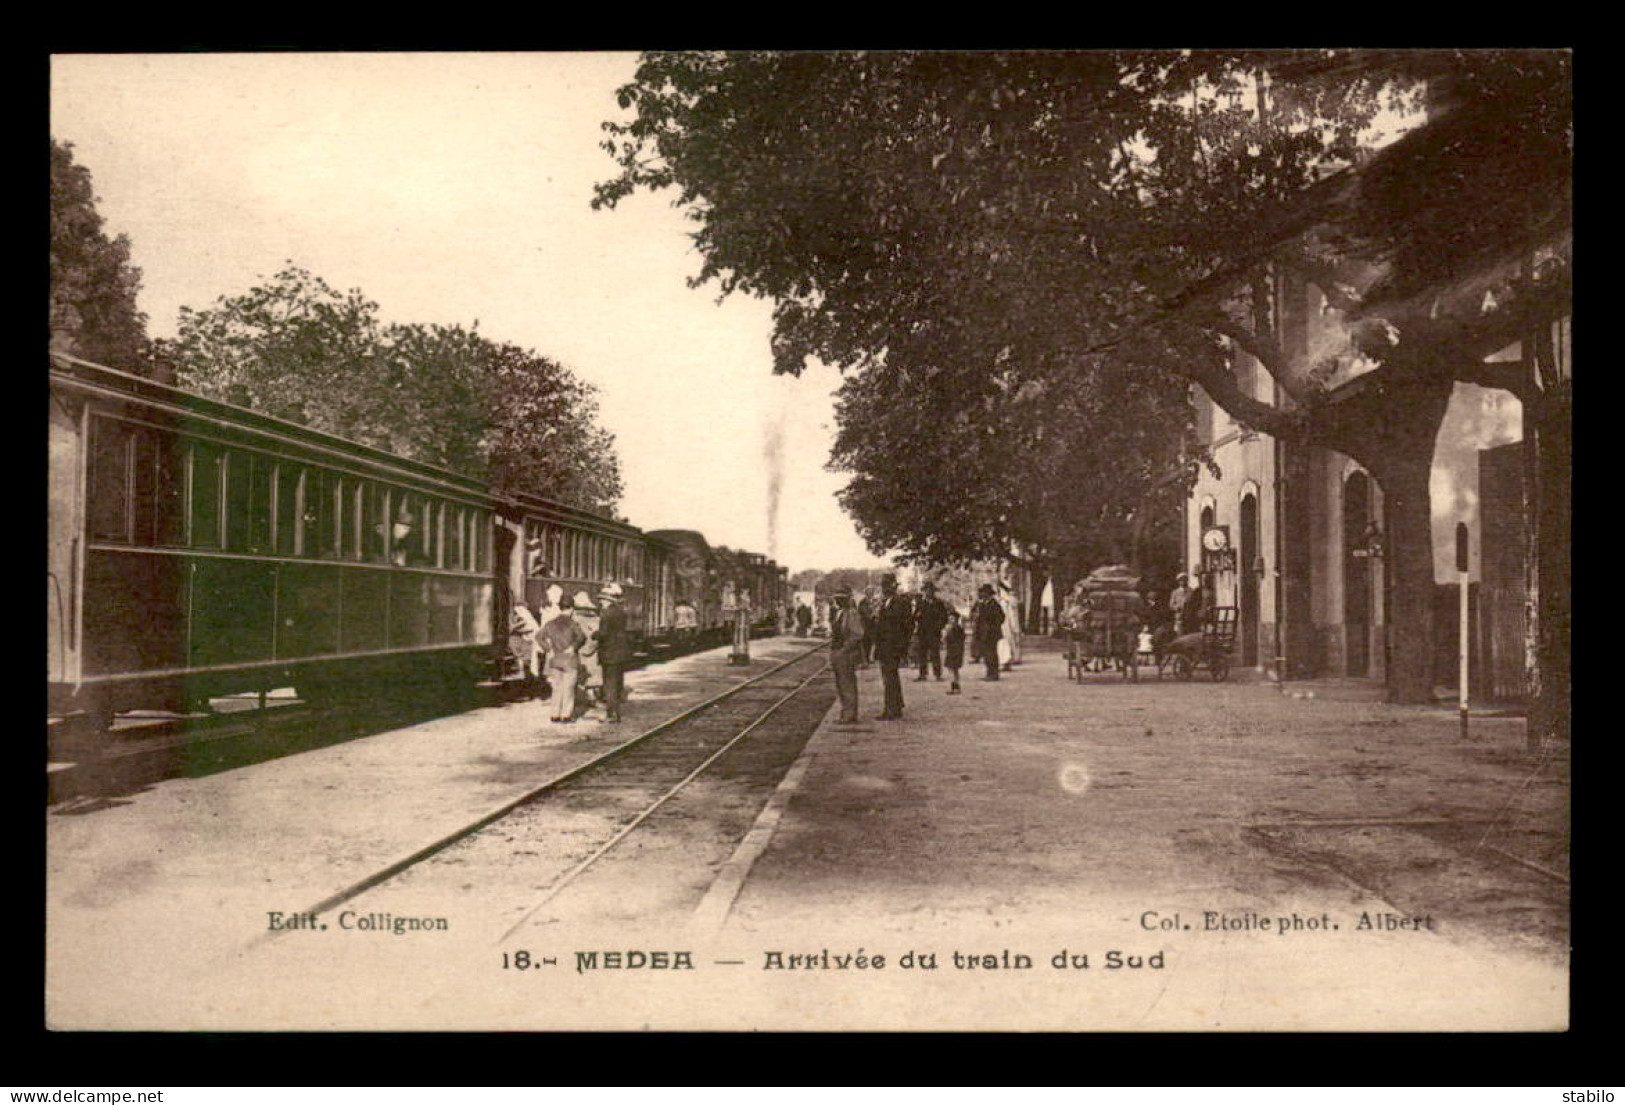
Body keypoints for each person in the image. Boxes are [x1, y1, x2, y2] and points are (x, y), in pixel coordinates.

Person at [539, 595, 588, 724]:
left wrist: (548, 648)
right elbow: (582, 637)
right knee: (569, 688)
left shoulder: (550, 623)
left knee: (557, 688)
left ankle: (555, 714)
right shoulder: (572, 623)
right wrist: (573, 647)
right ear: (571, 608)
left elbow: (538, 636)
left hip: (555, 659)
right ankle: (566, 715)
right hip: (570, 660)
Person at [872, 573, 914, 720]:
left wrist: (903, 647)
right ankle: (894, 707)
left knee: (890, 677)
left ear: (893, 586)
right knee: (888, 677)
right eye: (883, 585)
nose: (884, 588)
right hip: (884, 646)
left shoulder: (900, 602)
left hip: (894, 646)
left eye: (887, 585)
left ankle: (891, 709)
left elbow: (907, 626)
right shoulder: (885, 603)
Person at [828, 585, 866, 725]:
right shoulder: (839, 613)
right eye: (837, 598)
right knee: (840, 684)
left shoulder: (852, 613)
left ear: (847, 599)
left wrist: (845, 649)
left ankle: (850, 714)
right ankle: (845, 711)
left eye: (841, 598)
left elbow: (857, 634)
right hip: (837, 652)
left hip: (846, 654)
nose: (838, 601)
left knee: (847, 684)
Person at [595, 582, 632, 723]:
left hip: (609, 654)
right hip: (621, 653)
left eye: (601, 600)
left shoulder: (606, 614)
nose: (600, 602)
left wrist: (595, 635)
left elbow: (604, 634)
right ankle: (616, 712)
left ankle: (611, 714)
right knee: (617, 684)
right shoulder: (621, 612)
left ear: (606, 600)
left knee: (609, 685)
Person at [913, 581, 950, 682]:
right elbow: (915, 616)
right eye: (926, 590)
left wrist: (938, 626)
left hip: (934, 632)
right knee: (922, 654)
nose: (928, 592)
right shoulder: (920, 603)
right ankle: (922, 674)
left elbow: (944, 617)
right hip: (922, 632)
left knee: (935, 653)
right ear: (924, 591)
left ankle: (937, 674)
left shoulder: (938, 603)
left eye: (931, 590)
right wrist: (917, 617)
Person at [971, 583, 1006, 681]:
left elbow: (1001, 617)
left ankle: (994, 673)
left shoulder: (994, 604)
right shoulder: (982, 604)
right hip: (983, 633)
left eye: (983, 592)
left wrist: (993, 626)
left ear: (988, 594)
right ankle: (989, 672)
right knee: (986, 654)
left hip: (991, 634)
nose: (981, 594)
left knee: (992, 654)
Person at [507, 599, 541, 697]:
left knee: (527, 665)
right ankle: (528, 687)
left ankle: (528, 688)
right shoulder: (521, 616)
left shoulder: (522, 616)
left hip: (524, 643)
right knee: (527, 665)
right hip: (523, 643)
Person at [997, 580, 1023, 671]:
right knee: (1007, 642)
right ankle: (1009, 659)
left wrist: (1013, 624)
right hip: (1006, 623)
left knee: (1006, 642)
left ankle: (1008, 660)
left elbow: (1011, 614)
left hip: (1007, 623)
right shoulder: (1007, 600)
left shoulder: (1007, 601)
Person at [943, 610, 966, 695]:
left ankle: (954, 686)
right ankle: (957, 686)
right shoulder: (959, 628)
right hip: (956, 651)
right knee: (955, 670)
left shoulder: (952, 629)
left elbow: (946, 639)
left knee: (951, 670)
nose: (950, 620)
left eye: (952, 619)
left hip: (953, 651)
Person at [857, 587, 877, 667]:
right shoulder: (862, 602)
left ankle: (868, 659)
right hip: (865, 625)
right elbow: (865, 614)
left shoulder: (874, 601)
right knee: (865, 642)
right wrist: (872, 614)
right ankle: (864, 660)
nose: (870, 594)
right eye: (869, 592)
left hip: (873, 625)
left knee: (871, 641)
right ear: (866, 593)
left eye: (871, 592)